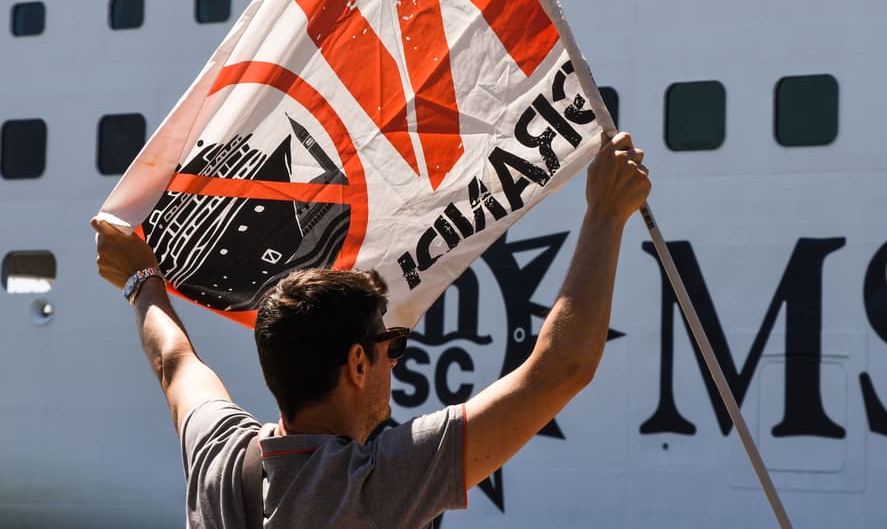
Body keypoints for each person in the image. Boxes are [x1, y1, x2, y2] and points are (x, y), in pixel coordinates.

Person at [94, 132, 650, 528]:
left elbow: (176, 364)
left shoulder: (219, 454)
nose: (396, 360)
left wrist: (141, 279)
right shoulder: (381, 482)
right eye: (392, 345)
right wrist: (605, 215)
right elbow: (561, 370)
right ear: (357, 364)